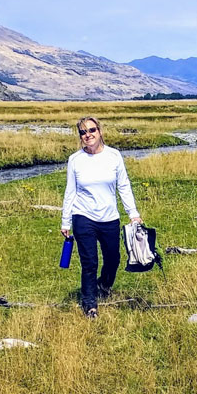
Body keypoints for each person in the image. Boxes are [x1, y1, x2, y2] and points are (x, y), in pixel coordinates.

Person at [61, 116, 143, 318]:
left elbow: (123, 186)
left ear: (100, 131)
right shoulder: (75, 160)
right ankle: (90, 304)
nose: (87, 135)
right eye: (83, 132)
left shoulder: (114, 156)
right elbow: (70, 191)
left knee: (113, 259)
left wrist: (133, 214)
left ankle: (103, 285)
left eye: (91, 130)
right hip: (83, 216)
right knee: (89, 262)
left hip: (109, 217)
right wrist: (66, 221)